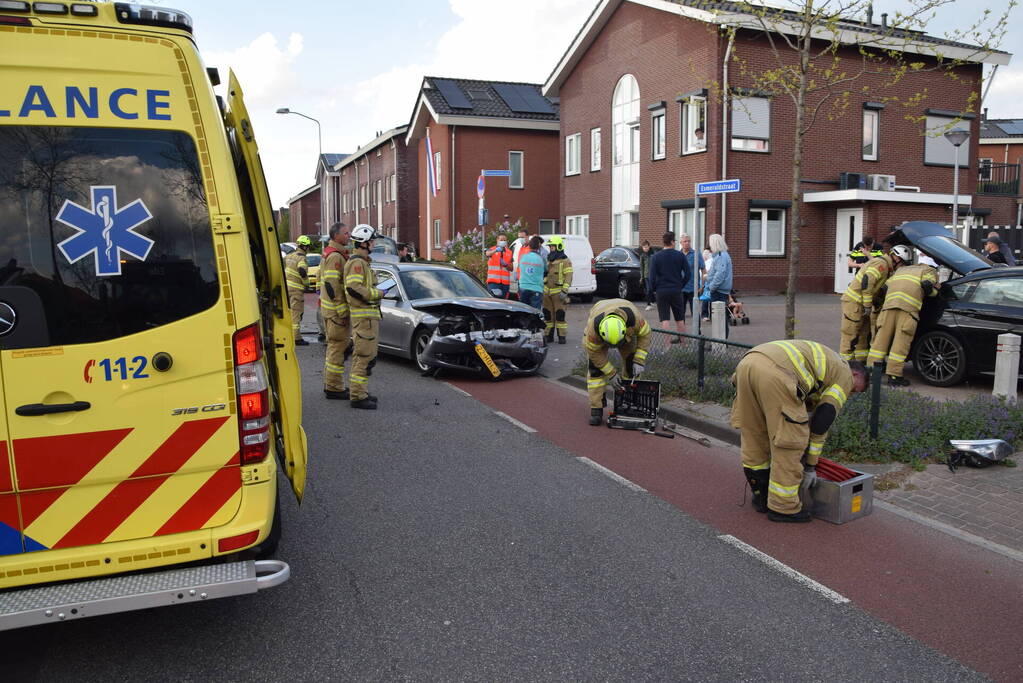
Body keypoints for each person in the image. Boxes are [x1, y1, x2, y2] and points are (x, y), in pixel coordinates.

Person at [731, 340, 870, 523]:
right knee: (790, 441)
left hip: (747, 363)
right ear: (855, 374)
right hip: (777, 374)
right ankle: (783, 507)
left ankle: (761, 497)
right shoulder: (844, 374)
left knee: (755, 437)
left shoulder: (827, 361)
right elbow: (823, 418)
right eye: (854, 390)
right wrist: (811, 465)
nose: (850, 393)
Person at [868, 256, 939, 387]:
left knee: (879, 343)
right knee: (900, 344)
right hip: (907, 311)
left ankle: (872, 373)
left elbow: (883, 288)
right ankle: (894, 376)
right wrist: (937, 289)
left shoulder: (901, 270)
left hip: (888, 308)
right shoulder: (929, 271)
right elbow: (928, 288)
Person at [584, 298, 651, 426]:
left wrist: (639, 360)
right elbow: (594, 353)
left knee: (631, 366)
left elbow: (646, 334)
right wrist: (612, 374)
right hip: (599, 314)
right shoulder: (593, 330)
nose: (614, 347)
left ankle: (628, 401)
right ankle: (596, 409)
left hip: (626, 337)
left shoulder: (635, 319)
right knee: (595, 372)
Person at [838, 244, 910, 362]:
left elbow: (876, 289)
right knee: (850, 335)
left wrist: (877, 304)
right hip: (854, 303)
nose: (901, 266)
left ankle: (861, 363)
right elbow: (867, 283)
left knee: (864, 334)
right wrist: (867, 305)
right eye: (902, 263)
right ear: (896, 258)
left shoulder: (886, 267)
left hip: (861, 304)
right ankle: (846, 366)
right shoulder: (881, 264)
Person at [343, 224, 385, 409]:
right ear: (364, 243)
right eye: (372, 240)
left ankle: (362, 392)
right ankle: (358, 396)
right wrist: (377, 294)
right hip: (364, 319)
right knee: (363, 357)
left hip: (369, 318)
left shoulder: (363, 262)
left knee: (369, 357)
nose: (374, 243)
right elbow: (353, 288)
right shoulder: (357, 263)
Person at [321, 223, 351, 400]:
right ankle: (334, 387)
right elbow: (332, 284)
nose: (349, 236)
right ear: (336, 235)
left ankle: (332, 384)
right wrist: (341, 309)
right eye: (346, 233)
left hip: (329, 310)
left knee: (335, 348)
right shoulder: (335, 256)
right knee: (337, 348)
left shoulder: (330, 253)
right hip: (335, 313)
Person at [648, 231, 691, 340]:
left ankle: (667, 346)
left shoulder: (656, 257)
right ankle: (684, 345)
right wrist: (681, 285)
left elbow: (651, 277)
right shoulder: (680, 255)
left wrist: (653, 290)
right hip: (676, 290)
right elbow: (688, 274)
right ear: (672, 242)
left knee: (665, 319)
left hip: (661, 291)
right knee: (680, 319)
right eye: (675, 240)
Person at [543, 236, 573, 344]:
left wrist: (564, 291)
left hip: (558, 293)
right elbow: (545, 273)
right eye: (550, 247)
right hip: (547, 293)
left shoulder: (565, 261)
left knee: (560, 315)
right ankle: (548, 335)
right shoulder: (549, 259)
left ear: (559, 247)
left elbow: (568, 276)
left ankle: (562, 336)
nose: (550, 249)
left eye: (552, 246)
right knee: (548, 315)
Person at [701, 233, 733, 337]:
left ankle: (719, 343)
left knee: (719, 319)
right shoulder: (721, 255)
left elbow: (720, 274)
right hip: (720, 290)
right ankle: (721, 341)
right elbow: (716, 273)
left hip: (719, 291)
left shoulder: (720, 256)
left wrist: (711, 287)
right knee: (720, 317)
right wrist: (708, 278)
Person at [284, 235, 312, 345]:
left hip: (286, 288)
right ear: (304, 247)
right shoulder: (301, 257)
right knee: (296, 313)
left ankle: (288, 335)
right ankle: (296, 338)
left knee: (289, 313)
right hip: (296, 290)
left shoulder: (289, 255)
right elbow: (302, 270)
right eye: (308, 246)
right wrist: (306, 283)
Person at [680, 234, 706, 323]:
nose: (687, 243)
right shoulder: (678, 255)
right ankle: (681, 335)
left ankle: (697, 333)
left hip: (693, 288)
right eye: (685, 241)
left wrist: (702, 286)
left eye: (689, 241)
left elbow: (703, 271)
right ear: (681, 243)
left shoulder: (696, 254)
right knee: (680, 313)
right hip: (681, 288)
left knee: (695, 312)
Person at [516, 236, 546, 310]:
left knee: (523, 311)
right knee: (535, 313)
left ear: (529, 246)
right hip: (536, 288)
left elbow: (520, 268)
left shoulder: (523, 257)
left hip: (523, 286)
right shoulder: (541, 259)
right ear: (539, 246)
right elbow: (546, 271)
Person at [485, 234, 513, 298]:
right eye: (501, 240)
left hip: (505, 284)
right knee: (494, 301)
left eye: (504, 240)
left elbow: (511, 268)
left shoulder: (509, 252)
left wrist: (506, 265)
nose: (503, 241)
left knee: (504, 303)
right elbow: (487, 254)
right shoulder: (492, 249)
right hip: (493, 282)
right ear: (497, 240)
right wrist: (496, 250)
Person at [639, 240, 655, 311]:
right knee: (648, 290)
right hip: (646, 275)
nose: (645, 248)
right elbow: (641, 267)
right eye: (644, 247)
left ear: (649, 246)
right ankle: (648, 304)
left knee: (651, 289)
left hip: (653, 275)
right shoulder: (642, 256)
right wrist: (641, 277)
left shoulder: (653, 254)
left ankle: (652, 301)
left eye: (646, 247)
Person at [701, 248, 714, 321]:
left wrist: (702, 285)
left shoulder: (708, 262)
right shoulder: (712, 260)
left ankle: (705, 315)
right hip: (711, 283)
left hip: (708, 283)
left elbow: (704, 274)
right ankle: (711, 315)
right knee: (710, 299)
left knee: (706, 299)